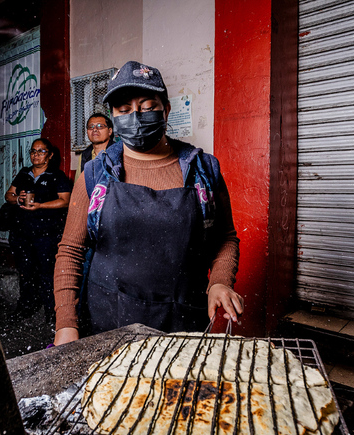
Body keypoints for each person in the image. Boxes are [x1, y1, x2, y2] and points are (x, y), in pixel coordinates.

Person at [53, 60, 243, 346]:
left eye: (147, 106)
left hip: (184, 320)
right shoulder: (95, 175)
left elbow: (225, 238)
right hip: (109, 320)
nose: (136, 116)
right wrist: (66, 324)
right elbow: (70, 251)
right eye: (124, 110)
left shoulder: (203, 170)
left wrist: (220, 281)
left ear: (166, 109)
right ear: (114, 117)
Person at [5, 138, 72, 325]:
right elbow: (8, 195)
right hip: (21, 234)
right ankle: (26, 307)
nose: (36, 154)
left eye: (41, 151)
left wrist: (40, 205)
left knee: (47, 273)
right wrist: (17, 198)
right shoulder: (24, 173)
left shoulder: (56, 176)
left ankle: (52, 314)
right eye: (33, 151)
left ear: (49, 155)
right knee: (25, 272)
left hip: (46, 235)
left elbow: (65, 200)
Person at [74, 113, 114, 182]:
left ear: (109, 131)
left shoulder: (118, 151)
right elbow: (78, 186)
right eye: (91, 127)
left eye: (100, 126)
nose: (94, 129)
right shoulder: (84, 156)